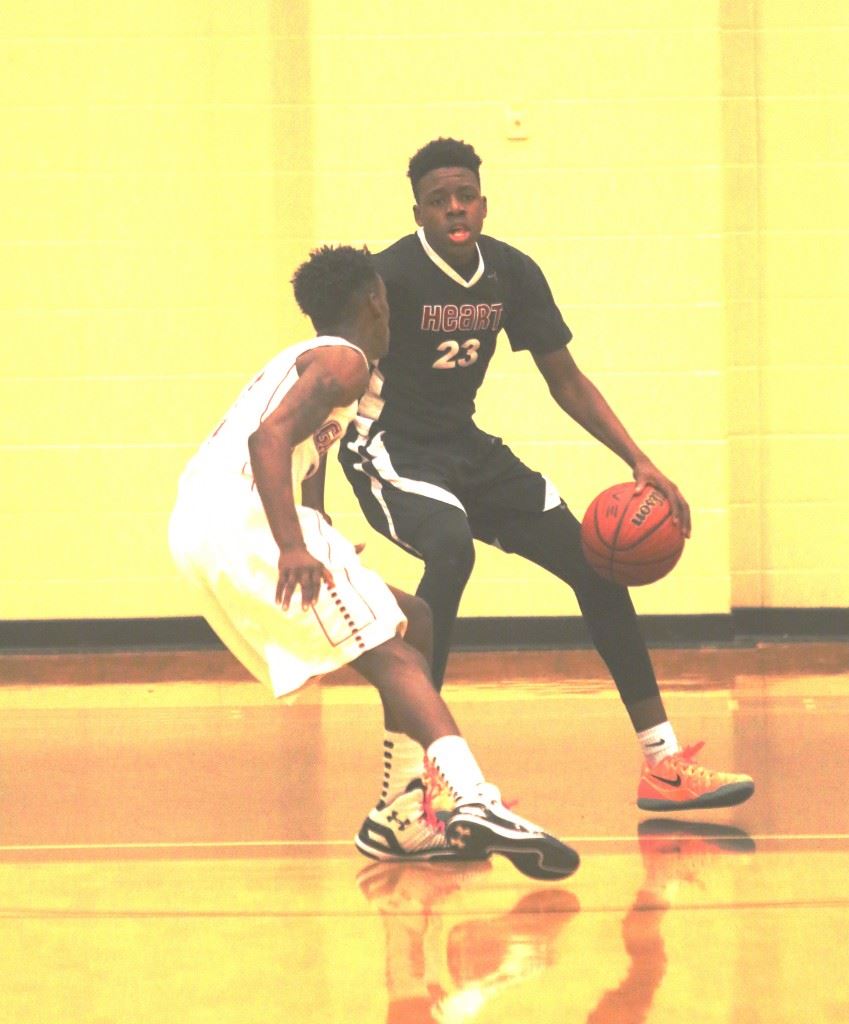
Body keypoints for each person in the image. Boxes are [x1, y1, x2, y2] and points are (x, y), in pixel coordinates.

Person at [339, 138, 754, 820]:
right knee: (450, 549)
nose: (454, 208)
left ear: (482, 200)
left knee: (597, 566)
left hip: (464, 447)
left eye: (464, 195)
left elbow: (564, 379)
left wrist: (638, 459)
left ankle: (662, 764)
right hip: (390, 449)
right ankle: (424, 785)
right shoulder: (389, 278)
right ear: (417, 209)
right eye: (439, 199)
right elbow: (333, 368)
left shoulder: (509, 271)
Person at [167, 243, 580, 881]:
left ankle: (399, 815)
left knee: (413, 619)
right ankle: (473, 797)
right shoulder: (348, 362)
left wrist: (316, 520)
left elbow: (302, 445)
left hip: (210, 520)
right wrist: (293, 544)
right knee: (389, 651)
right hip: (238, 522)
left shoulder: (319, 362)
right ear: (374, 301)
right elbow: (269, 438)